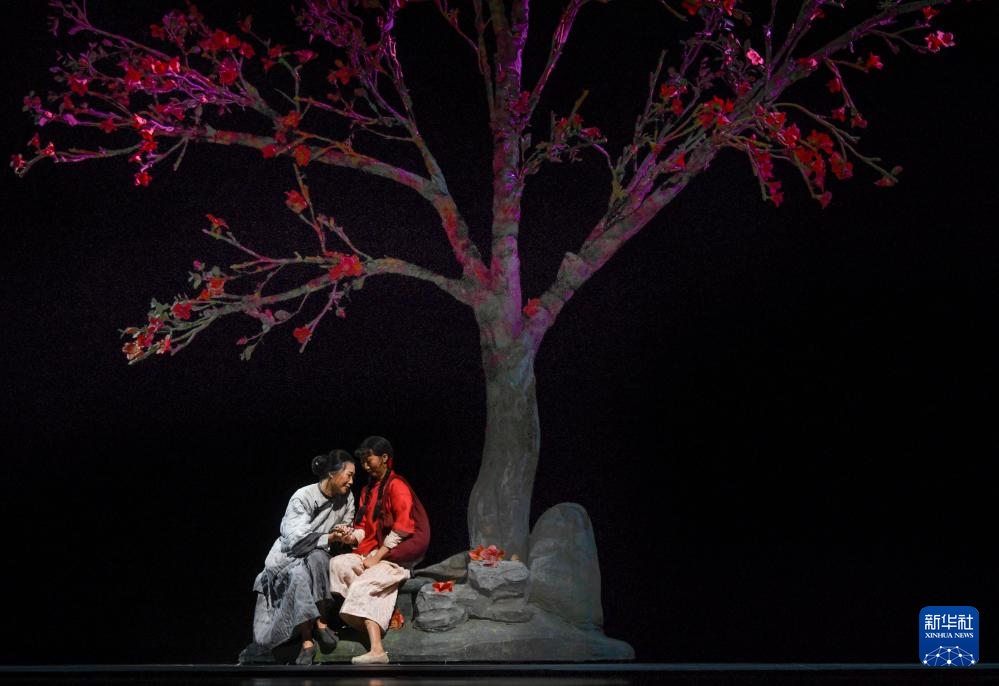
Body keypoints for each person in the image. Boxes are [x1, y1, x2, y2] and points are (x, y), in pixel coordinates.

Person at [247, 450, 357, 665]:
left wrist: (343, 533)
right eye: (349, 475)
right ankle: (309, 638)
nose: (352, 481)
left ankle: (320, 625)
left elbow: (346, 524)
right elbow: (296, 541)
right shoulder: (303, 496)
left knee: (318, 559)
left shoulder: (347, 497)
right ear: (332, 473)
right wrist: (330, 537)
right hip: (289, 557)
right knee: (299, 574)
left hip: (319, 554)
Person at [330, 436, 430, 664]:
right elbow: (364, 528)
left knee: (363, 583)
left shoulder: (397, 486)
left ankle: (377, 650)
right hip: (373, 552)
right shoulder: (368, 490)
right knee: (338, 564)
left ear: (385, 458)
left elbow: (403, 528)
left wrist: (377, 557)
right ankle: (367, 621)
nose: (365, 466)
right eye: (363, 461)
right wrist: (350, 537)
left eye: (369, 460)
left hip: (396, 555)